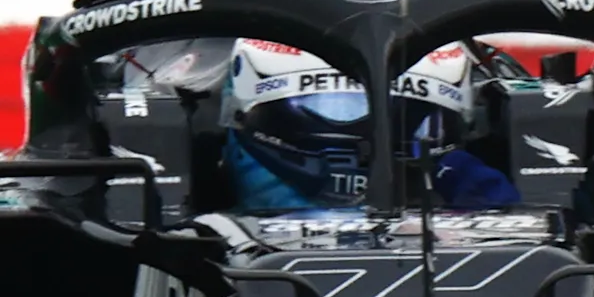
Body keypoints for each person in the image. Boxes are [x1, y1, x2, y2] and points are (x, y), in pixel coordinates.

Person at [220, 40, 519, 211]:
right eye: (331, 106)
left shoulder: (466, 178)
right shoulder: (219, 218)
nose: (364, 142)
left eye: (409, 118)